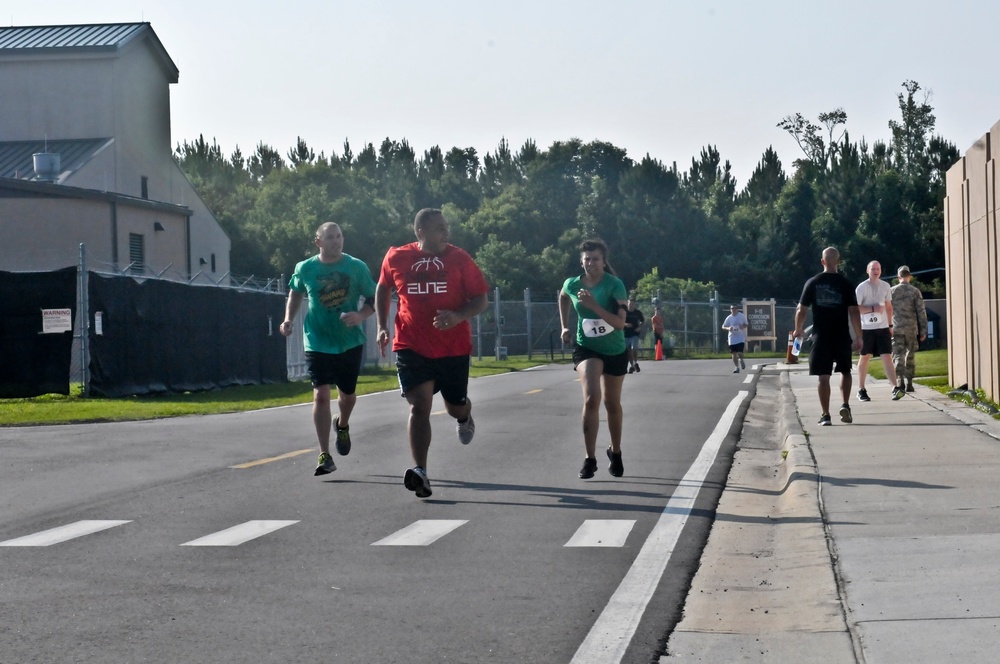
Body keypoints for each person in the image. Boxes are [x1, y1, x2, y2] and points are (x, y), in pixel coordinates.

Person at [375, 208, 489, 499]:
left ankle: (465, 416)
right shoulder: (397, 257)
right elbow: (382, 288)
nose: (446, 232)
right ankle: (421, 471)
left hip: (453, 348)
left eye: (446, 226)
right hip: (411, 345)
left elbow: (481, 299)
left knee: (454, 405)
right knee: (419, 405)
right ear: (421, 232)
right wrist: (381, 325)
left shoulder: (459, 258)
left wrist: (458, 315)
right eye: (439, 227)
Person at [280, 222, 377, 476]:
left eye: (339, 236)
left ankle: (342, 425)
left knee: (347, 396)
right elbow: (295, 293)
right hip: (317, 339)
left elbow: (373, 297)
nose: (336, 241)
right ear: (318, 242)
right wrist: (288, 318)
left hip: (349, 340)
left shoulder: (356, 267)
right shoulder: (306, 268)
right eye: (330, 237)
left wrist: (360, 315)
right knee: (321, 395)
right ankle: (324, 454)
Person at [559, 239, 628, 479]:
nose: (591, 263)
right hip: (586, 347)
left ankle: (615, 451)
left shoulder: (615, 285)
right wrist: (564, 326)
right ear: (581, 261)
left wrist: (593, 305)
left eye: (596, 259)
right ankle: (590, 459)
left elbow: (620, 324)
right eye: (587, 259)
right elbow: (563, 297)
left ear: (603, 261)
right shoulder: (572, 283)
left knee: (612, 404)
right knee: (591, 399)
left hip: (615, 349)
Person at [793, 247, 863, 426]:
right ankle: (845, 404)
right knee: (845, 371)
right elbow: (854, 311)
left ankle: (825, 415)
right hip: (841, 335)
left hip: (821, 335)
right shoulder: (846, 284)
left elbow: (802, 309)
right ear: (838, 261)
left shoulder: (813, 282)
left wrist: (798, 329)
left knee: (823, 376)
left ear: (822, 261)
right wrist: (859, 336)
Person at [854, 261, 900, 401]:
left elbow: (888, 307)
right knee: (865, 356)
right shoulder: (861, 288)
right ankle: (861, 389)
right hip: (867, 329)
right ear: (867, 270)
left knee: (886, 356)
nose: (876, 271)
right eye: (873, 269)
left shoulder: (885, 286)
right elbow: (856, 309)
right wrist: (873, 309)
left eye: (878, 269)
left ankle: (895, 387)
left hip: (883, 327)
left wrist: (891, 325)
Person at [890, 265, 928, 394]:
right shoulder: (915, 291)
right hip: (911, 328)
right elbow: (921, 312)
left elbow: (886, 310)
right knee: (910, 355)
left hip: (896, 328)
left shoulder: (892, 291)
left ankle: (900, 381)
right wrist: (923, 330)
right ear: (909, 276)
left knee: (897, 355)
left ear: (898, 277)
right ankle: (910, 383)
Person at [721, 304, 749, 373]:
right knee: (733, 353)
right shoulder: (729, 318)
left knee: (739, 352)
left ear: (737, 309)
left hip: (740, 337)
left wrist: (743, 326)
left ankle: (741, 360)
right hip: (732, 337)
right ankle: (737, 367)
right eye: (732, 308)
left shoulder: (741, 316)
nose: (733, 310)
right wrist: (728, 328)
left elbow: (746, 324)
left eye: (735, 308)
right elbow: (723, 326)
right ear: (730, 310)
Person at [623, 295, 646, 373]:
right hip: (626, 334)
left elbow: (642, 321)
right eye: (630, 304)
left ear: (634, 305)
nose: (631, 305)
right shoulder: (624, 312)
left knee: (634, 349)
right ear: (627, 304)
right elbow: (619, 321)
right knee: (628, 351)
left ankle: (636, 363)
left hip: (634, 333)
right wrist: (625, 324)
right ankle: (632, 365)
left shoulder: (637, 312)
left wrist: (639, 327)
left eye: (632, 304)